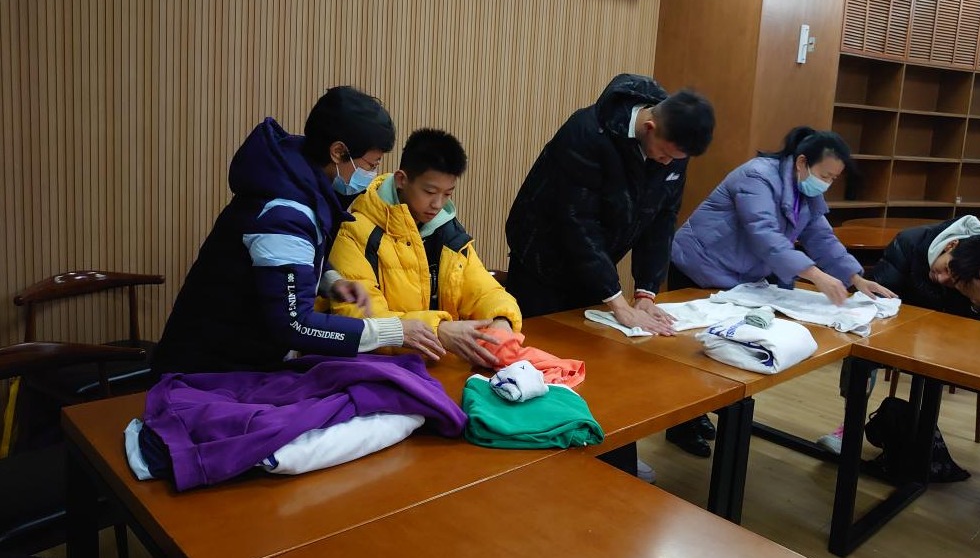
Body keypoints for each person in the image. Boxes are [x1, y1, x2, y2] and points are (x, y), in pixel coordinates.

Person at [505, 73, 716, 481]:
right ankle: (538, 465)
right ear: (649, 127)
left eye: (676, 159)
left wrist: (646, 293)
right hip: (542, 260)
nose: (668, 163)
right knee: (543, 365)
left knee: (600, 366)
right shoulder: (587, 132)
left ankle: (608, 456)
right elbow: (576, 223)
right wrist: (615, 299)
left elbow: (661, 219)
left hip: (592, 263)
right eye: (665, 155)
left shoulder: (672, 145)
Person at [152, 86, 442, 374]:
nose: (373, 174)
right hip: (206, 371)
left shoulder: (299, 182)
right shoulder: (283, 212)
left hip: (241, 361)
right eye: (371, 164)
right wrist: (394, 330)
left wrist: (331, 281)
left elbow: (293, 259)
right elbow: (294, 324)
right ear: (338, 152)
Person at [667, 126, 895, 457]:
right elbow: (765, 235)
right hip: (698, 264)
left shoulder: (806, 191)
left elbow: (821, 237)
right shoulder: (757, 177)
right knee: (690, 350)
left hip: (737, 279)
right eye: (825, 175)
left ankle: (698, 412)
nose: (827, 184)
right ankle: (681, 423)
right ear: (802, 162)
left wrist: (855, 277)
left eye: (833, 179)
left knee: (723, 347)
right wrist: (815, 275)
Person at [816, 216, 980, 500]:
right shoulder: (910, 243)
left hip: (966, 343)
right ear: (951, 245)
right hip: (909, 333)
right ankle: (850, 427)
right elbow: (875, 295)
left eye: (954, 282)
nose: (941, 280)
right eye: (946, 269)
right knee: (861, 346)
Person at [328, 128, 521, 367]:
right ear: (401, 180)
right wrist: (437, 330)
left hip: (437, 366)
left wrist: (501, 319)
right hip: (378, 369)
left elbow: (484, 290)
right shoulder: (355, 231)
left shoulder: (447, 231)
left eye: (447, 193)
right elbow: (359, 319)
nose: (438, 204)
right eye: (429, 192)